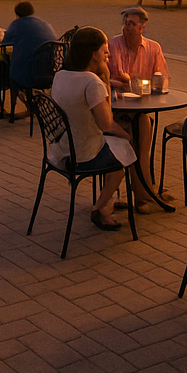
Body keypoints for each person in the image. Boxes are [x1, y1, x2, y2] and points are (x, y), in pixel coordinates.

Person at [50, 26, 137, 231]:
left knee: (117, 144)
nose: (108, 54)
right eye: (104, 50)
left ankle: (110, 197)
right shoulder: (92, 82)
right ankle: (100, 208)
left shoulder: (61, 75)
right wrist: (106, 78)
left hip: (62, 149)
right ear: (93, 54)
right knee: (123, 154)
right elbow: (106, 124)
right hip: (83, 154)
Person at [106, 5, 172, 210]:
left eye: (132, 24)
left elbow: (163, 78)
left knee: (141, 130)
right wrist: (120, 83)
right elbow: (103, 77)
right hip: (115, 112)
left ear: (142, 27)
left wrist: (151, 85)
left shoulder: (153, 48)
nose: (127, 27)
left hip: (142, 108)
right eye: (126, 23)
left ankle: (142, 193)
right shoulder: (112, 45)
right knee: (140, 136)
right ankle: (144, 196)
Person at [3, 0, 57, 95]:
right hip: (47, 71)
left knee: (9, 68)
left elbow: (5, 42)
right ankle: (31, 100)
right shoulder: (44, 24)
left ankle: (23, 99)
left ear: (17, 13)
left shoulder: (17, 24)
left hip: (27, 73)